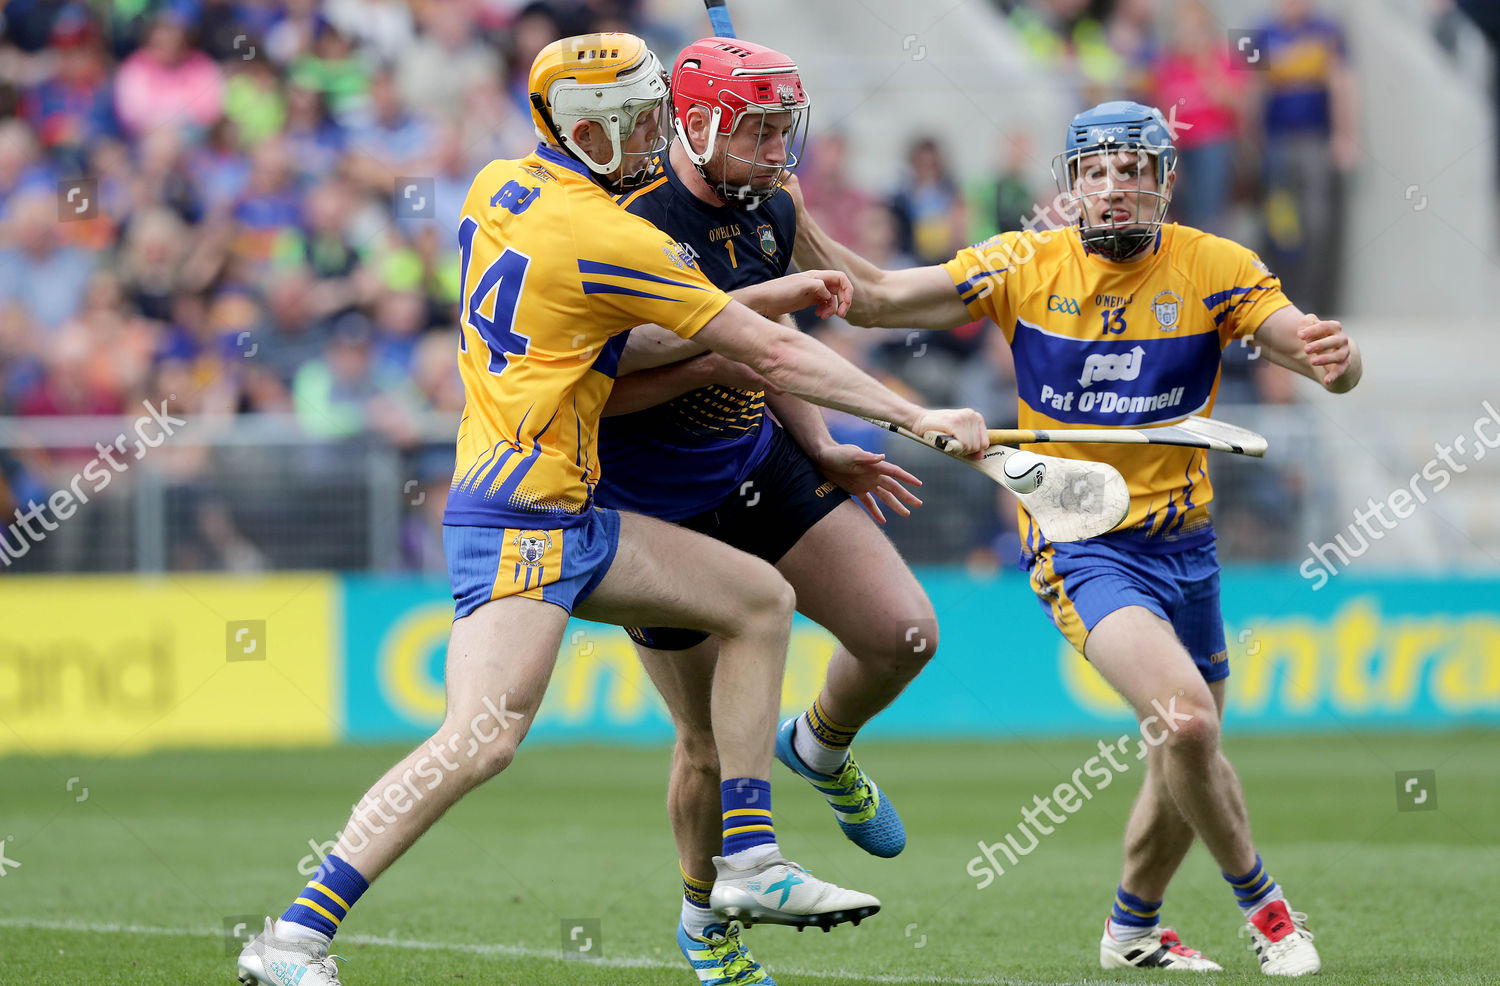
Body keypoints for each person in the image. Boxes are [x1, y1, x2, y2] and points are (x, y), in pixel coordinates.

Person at [233, 33, 987, 986]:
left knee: (758, 600)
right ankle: (296, 937)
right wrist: (917, 417)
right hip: (525, 517)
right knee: (480, 740)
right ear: (583, 130)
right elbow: (777, 352)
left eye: (654, 115)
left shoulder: (496, 186)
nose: (653, 135)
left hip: (572, 508)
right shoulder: (616, 236)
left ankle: (749, 861)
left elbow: (740, 333)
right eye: (632, 124)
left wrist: (771, 304)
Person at [789, 100, 1361, 976]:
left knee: (1182, 746)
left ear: (1163, 183)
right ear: (1071, 186)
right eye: (1096, 173)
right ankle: (1272, 914)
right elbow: (873, 299)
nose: (1115, 189)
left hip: (1186, 547)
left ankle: (1132, 931)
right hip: (1080, 539)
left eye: (1133, 172)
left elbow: (1305, 349)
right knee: (1187, 721)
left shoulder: (1213, 266)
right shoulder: (1024, 263)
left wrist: (1335, 357)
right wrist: (787, 216)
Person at [595, 38, 939, 985]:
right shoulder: (624, 222)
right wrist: (731, 340)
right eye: (758, 132)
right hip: (656, 509)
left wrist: (822, 441)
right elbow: (608, 382)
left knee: (904, 633)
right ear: (696, 126)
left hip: (762, 460)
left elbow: (776, 340)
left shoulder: (773, 208)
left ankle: (820, 749)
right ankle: (706, 922)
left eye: (787, 128)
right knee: (704, 748)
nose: (778, 150)